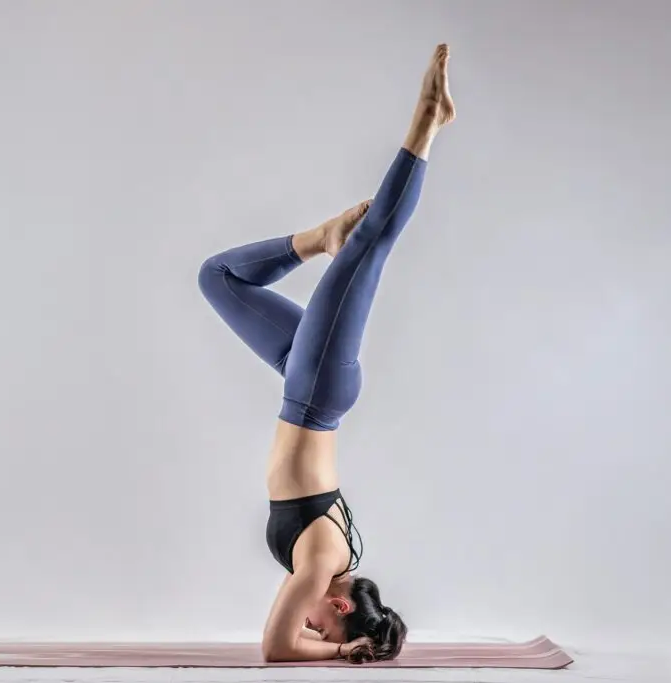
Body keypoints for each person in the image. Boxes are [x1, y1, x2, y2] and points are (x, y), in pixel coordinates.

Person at [197, 44, 456, 664]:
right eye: (326, 627)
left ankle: (317, 238)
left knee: (218, 277)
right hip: (315, 390)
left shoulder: (331, 564)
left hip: (303, 384)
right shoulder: (319, 565)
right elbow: (277, 649)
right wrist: (342, 654)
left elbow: (293, 637)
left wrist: (348, 645)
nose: (312, 628)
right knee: (371, 243)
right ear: (340, 606)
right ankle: (427, 122)